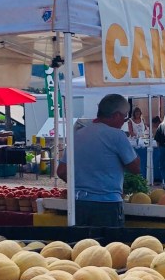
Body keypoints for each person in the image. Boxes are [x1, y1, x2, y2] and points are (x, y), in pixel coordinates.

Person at [57, 93, 140, 227]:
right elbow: (135, 168)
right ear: (116, 115)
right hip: (107, 205)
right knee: (109, 241)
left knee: (82, 241)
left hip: (78, 204)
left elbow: (61, 171)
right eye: (124, 118)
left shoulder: (77, 135)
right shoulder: (117, 136)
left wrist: (81, 183)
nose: (123, 122)